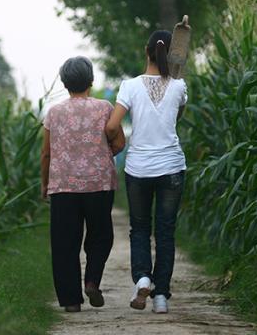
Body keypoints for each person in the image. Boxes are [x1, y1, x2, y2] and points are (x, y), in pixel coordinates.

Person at [105, 30, 187, 314]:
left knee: (140, 228)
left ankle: (142, 278)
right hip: (172, 168)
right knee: (165, 232)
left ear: (146, 51)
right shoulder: (179, 86)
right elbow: (177, 117)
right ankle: (161, 296)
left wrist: (118, 143)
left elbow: (112, 126)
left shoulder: (129, 86)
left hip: (138, 168)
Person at [41, 56, 125, 313]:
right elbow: (120, 142)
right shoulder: (104, 108)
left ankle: (71, 302)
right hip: (98, 183)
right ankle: (91, 281)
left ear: (65, 83)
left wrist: (45, 184)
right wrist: (101, 153)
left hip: (63, 185)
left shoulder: (54, 113)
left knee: (65, 243)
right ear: (91, 80)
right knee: (101, 236)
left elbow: (46, 154)